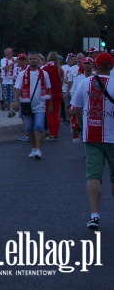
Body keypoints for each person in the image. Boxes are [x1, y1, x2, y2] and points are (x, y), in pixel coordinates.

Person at [70, 52, 114, 229]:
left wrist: (83, 125)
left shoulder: (84, 83)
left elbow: (77, 108)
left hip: (92, 135)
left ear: (95, 65)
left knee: (93, 176)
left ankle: (94, 215)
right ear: (111, 66)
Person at [15, 51, 51, 160]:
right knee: (29, 128)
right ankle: (34, 148)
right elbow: (17, 89)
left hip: (40, 104)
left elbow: (49, 89)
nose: (33, 61)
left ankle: (38, 149)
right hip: (26, 104)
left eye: (35, 59)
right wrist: (17, 102)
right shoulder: (22, 74)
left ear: (38, 60)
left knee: (39, 126)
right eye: (30, 59)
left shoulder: (44, 74)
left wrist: (51, 104)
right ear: (28, 61)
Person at [43, 52, 64, 140]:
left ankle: (52, 134)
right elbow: (62, 81)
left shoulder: (45, 68)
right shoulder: (60, 69)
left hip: (49, 93)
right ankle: (56, 134)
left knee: (50, 114)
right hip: (58, 93)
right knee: (56, 114)